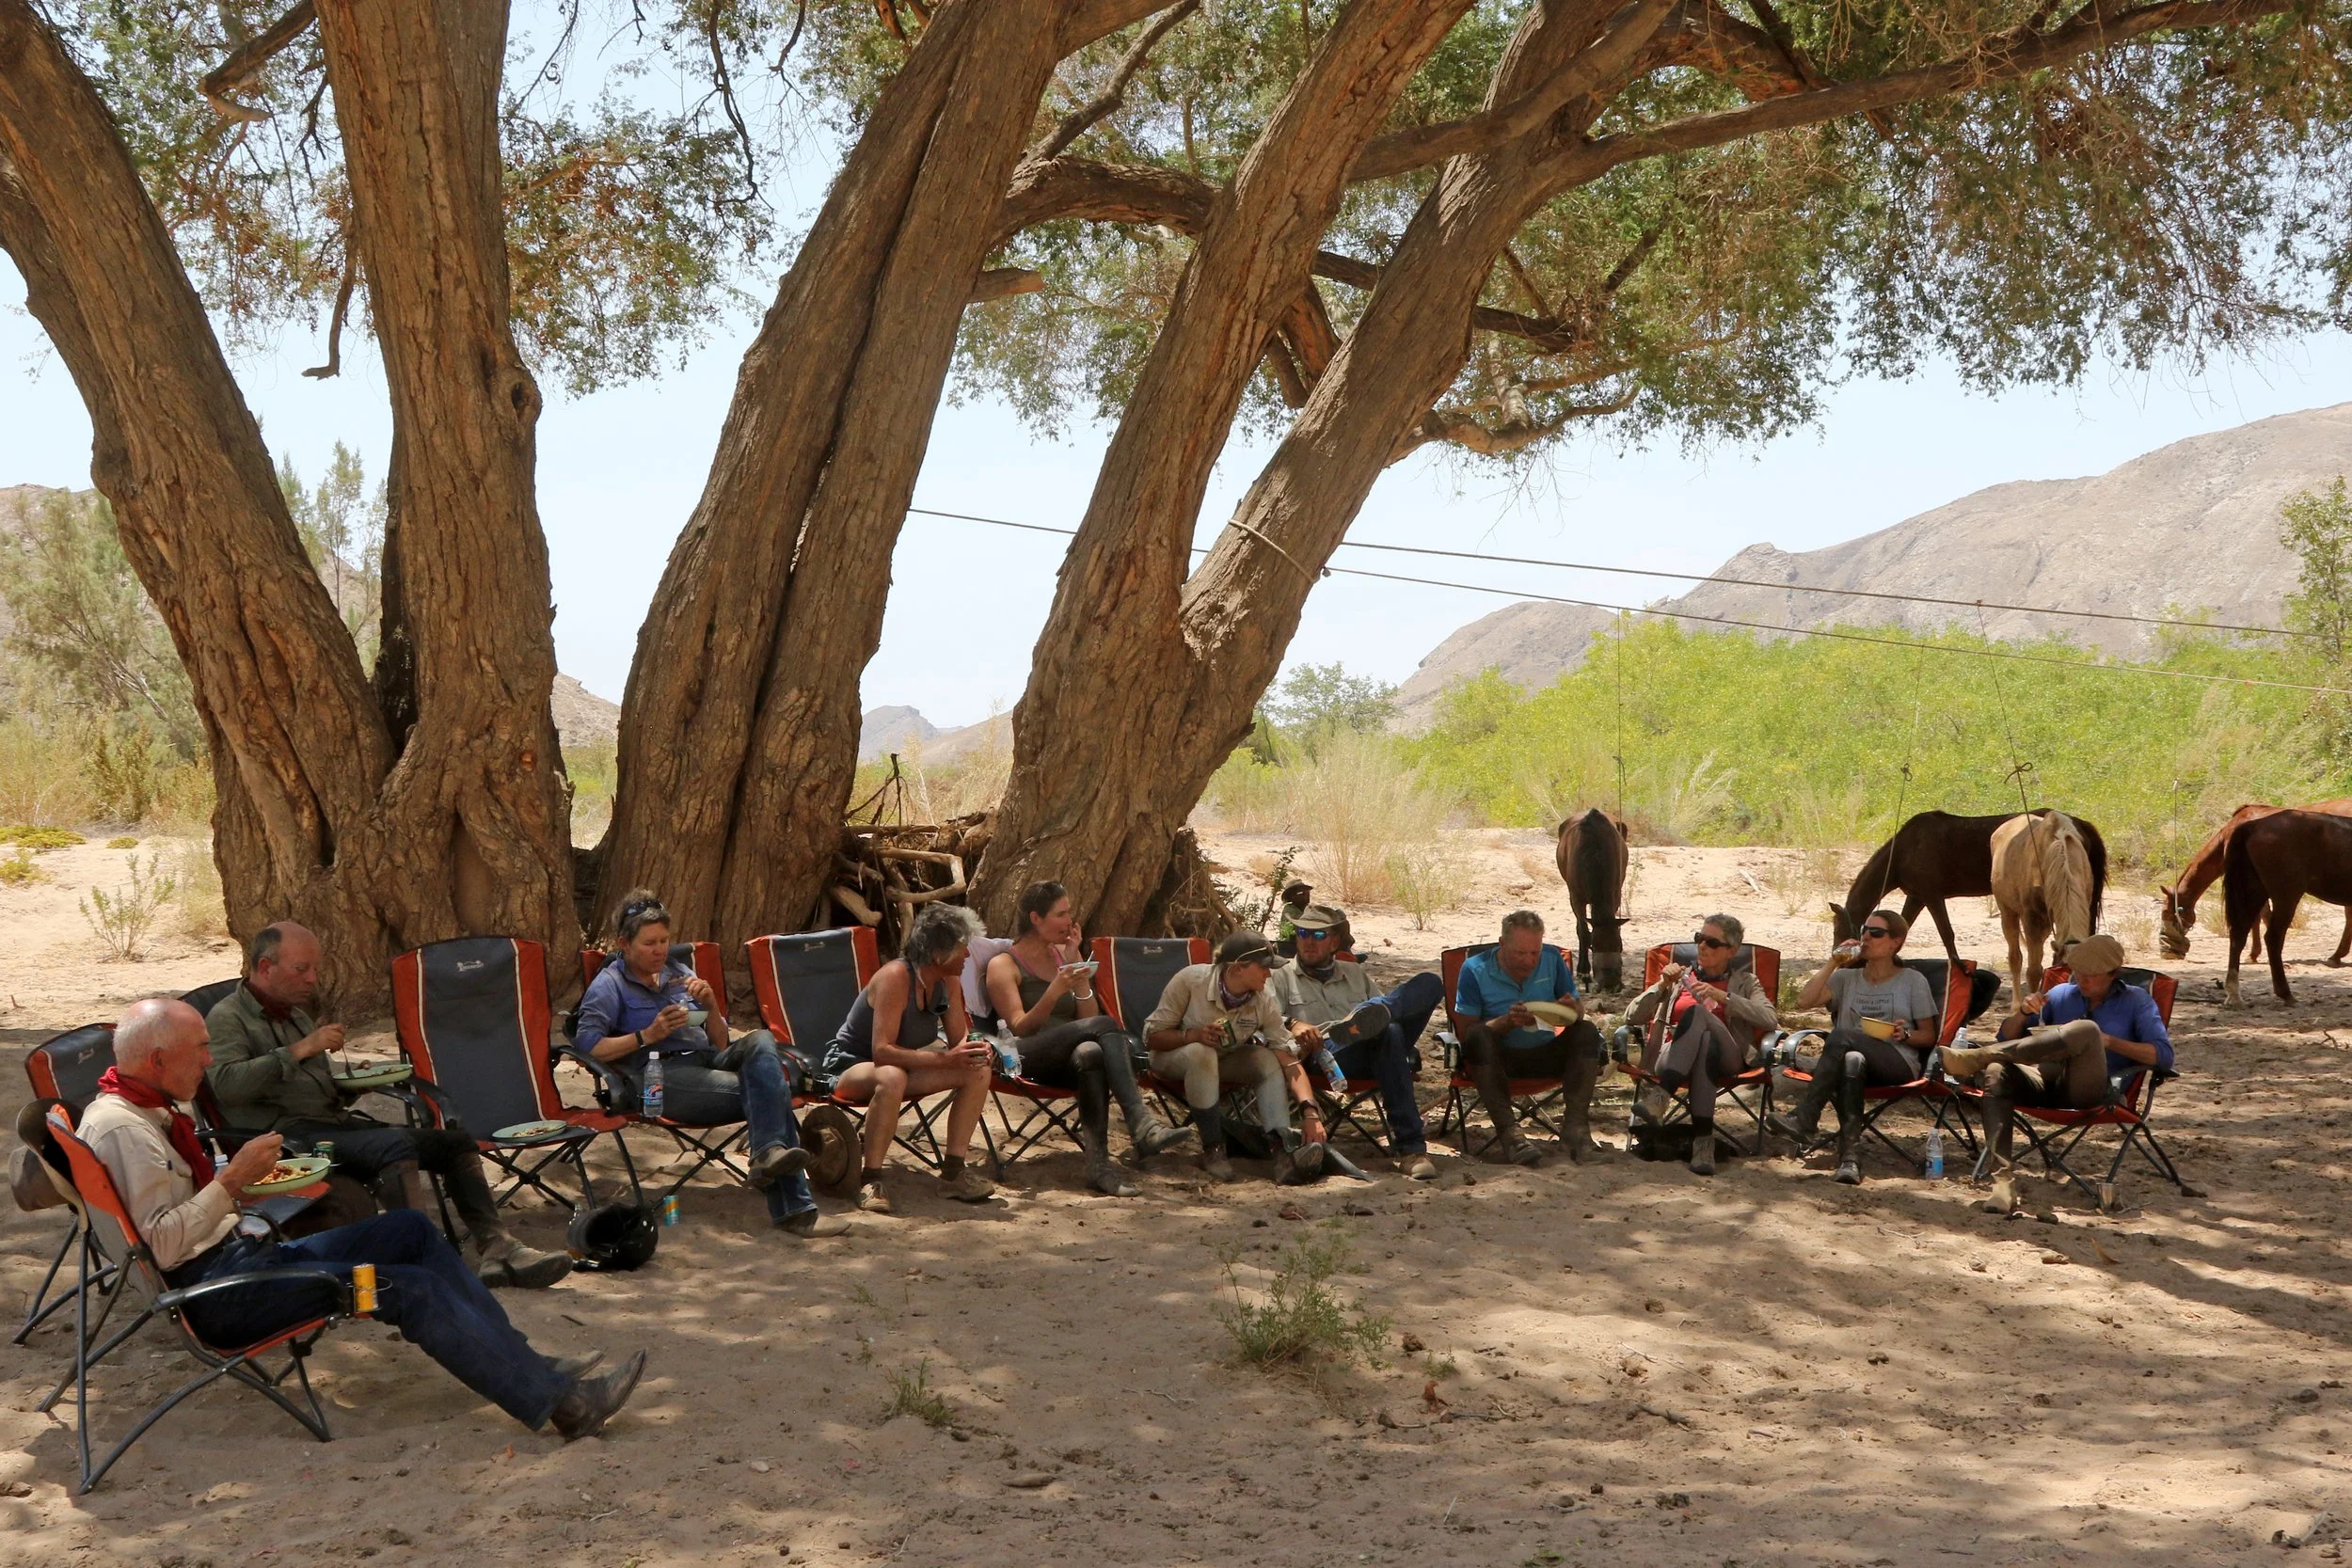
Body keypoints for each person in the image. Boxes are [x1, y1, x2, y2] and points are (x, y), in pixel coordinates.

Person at [80, 1000, 644, 1439]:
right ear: (157, 1060)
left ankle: (524, 1359)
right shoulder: (127, 1130)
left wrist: (233, 1181)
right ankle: (568, 1409)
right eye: (200, 1049)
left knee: (411, 1230)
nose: (208, 1060)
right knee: (410, 1289)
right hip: (218, 1295)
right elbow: (161, 1243)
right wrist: (230, 1182)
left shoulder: (137, 1106)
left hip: (239, 1260)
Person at [205, 922, 573, 1287]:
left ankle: (499, 1248)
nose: (312, 979)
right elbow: (228, 1087)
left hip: (330, 1126)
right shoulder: (228, 1018)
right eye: (302, 969)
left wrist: (353, 1085)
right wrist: (302, 1049)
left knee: (453, 1142)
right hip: (285, 1139)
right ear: (265, 967)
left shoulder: (295, 1015)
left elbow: (316, 1084)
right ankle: (424, 1260)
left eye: (315, 969)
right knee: (394, 1146)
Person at [575, 892, 849, 1239]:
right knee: (770, 1089)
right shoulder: (609, 985)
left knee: (761, 1040)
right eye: (649, 943)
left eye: (664, 940)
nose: (660, 950)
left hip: (709, 1059)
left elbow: (721, 1042)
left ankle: (767, 1153)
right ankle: (794, 1207)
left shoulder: (677, 971)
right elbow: (589, 1047)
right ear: (624, 944)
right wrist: (646, 1035)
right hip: (661, 1077)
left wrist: (712, 1004)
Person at [985, 881, 1193, 1196]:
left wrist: (1076, 970)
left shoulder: (1061, 956)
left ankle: (1099, 1169)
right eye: (1061, 914)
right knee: (1104, 1026)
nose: (1070, 921)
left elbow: (1086, 1020)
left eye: (1070, 912)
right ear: (1035, 919)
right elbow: (1018, 1028)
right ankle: (1140, 1123)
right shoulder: (1004, 965)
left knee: (1091, 1053)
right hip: (1024, 1056)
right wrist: (1054, 991)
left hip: (1067, 1058)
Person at [1938, 933, 2171, 1214]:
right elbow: (2006, 1035)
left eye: (2091, 976)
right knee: (1998, 1071)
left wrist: (2108, 1042)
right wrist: (2024, 1012)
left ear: (2113, 974)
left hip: (2093, 1091)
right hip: (2047, 1080)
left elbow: (2163, 1056)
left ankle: (1979, 1056)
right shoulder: (2061, 994)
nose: (2082, 980)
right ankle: (2002, 1183)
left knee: (2086, 1030)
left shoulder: (2137, 1001)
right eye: (2078, 973)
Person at [823, 904, 997, 1212]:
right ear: (937, 955)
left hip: (902, 1068)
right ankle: (871, 1178)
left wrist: (977, 1048)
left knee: (977, 1069)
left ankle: (954, 1173)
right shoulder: (896, 977)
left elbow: (960, 1040)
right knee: (892, 1075)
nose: (968, 956)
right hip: (852, 1067)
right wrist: (945, 1060)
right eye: (962, 949)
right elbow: (881, 1052)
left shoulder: (948, 982)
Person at [1268, 903, 1443, 1180]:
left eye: (1318, 935)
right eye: (1302, 932)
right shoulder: (1281, 977)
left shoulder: (1354, 973)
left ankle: (1379, 1011)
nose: (1307, 941)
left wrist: (1379, 1015)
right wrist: (1292, 1022)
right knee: (1391, 1033)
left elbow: (1380, 1020)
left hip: (1374, 1050)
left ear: (1335, 941)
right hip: (1324, 1054)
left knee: (1430, 982)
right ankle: (1411, 1149)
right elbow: (1265, 1020)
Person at [1772, 907, 1939, 1185]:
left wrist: (1905, 1034)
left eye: (1876, 933)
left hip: (1897, 1062)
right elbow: (1803, 1001)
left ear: (1896, 942)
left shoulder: (1912, 981)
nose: (1866, 937)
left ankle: (1806, 1117)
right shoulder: (1846, 978)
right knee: (1851, 1060)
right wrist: (1833, 963)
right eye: (1864, 930)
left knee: (1840, 1036)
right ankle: (1850, 1159)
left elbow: (1929, 1036)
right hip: (1853, 1064)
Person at [1143, 931, 1320, 1184]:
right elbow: (1152, 1037)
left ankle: (1280, 1149)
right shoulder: (1192, 980)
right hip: (1172, 1060)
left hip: (1222, 1061)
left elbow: (1287, 1057)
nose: (1269, 974)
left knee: (1266, 1059)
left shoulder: (1262, 1000)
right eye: (1263, 968)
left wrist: (1309, 1111)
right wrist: (1193, 1035)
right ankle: (1213, 1148)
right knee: (1202, 1052)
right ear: (1238, 968)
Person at [1624, 912, 1779, 1176]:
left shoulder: (1745, 982)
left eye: (1712, 942)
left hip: (1728, 1058)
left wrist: (1725, 997)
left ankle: (1662, 1096)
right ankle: (1703, 1144)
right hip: (1671, 1055)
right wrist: (1662, 985)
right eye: (1699, 939)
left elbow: (1770, 1019)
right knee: (1703, 1038)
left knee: (1698, 1015)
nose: (1702, 946)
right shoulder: (1679, 979)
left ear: (1732, 950)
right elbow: (1632, 1016)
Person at [1452, 910, 1608, 1166]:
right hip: (1498, 1061)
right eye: (1520, 953)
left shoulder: (1551, 959)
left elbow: (1577, 1011)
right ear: (1502, 944)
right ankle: (1511, 1136)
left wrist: (1573, 1010)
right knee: (1479, 1036)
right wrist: (1506, 1022)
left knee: (1586, 1031)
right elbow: (1466, 1032)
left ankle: (1576, 1132)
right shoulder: (1475, 969)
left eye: (1534, 953)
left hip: (1544, 1051)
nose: (1529, 961)